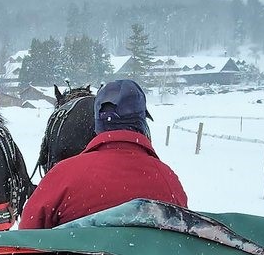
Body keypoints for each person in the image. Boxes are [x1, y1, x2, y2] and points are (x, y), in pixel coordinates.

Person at [19, 79, 187, 229]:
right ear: (142, 122)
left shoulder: (62, 175)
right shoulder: (169, 182)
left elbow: (27, 236)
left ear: (98, 123)